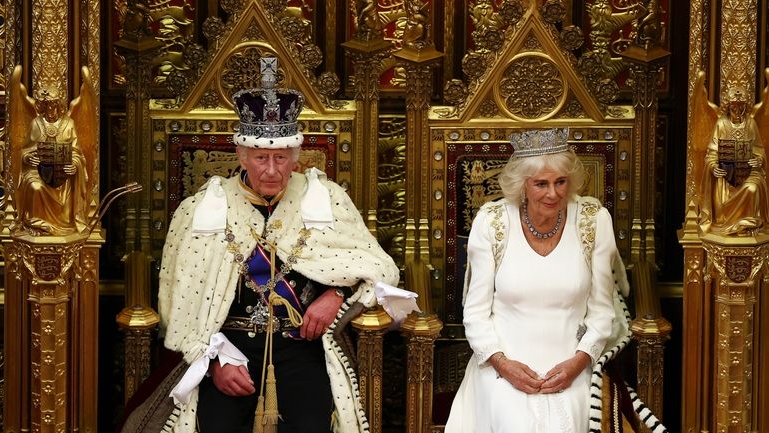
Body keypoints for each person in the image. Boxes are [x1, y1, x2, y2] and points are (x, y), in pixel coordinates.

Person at [157, 58, 400, 433]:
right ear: (241, 156)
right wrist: (213, 358)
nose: (272, 170)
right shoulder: (200, 210)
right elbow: (178, 300)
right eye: (261, 158)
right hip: (227, 346)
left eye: (281, 158)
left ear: (295, 157)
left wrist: (336, 292)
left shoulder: (326, 198)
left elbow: (381, 268)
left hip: (301, 347)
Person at [445, 128, 618, 433]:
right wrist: (502, 364)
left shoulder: (594, 220)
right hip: (502, 365)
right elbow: (475, 313)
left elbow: (603, 311)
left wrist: (577, 364)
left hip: (572, 364)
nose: (553, 193)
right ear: (522, 185)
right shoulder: (492, 221)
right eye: (541, 184)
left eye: (560, 182)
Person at [15, 87, 89, 235]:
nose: (51, 110)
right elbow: (24, 150)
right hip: (37, 172)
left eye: (55, 105)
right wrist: (28, 157)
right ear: (43, 106)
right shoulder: (36, 123)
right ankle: (36, 224)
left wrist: (74, 165)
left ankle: (65, 222)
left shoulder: (69, 124)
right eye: (48, 105)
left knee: (65, 186)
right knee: (35, 187)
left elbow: (76, 152)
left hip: (62, 175)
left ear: (60, 106)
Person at [699, 86, 769, 235]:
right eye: (734, 105)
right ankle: (728, 224)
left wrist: (758, 160)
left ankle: (748, 225)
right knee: (722, 198)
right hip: (726, 175)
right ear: (728, 105)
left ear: (745, 106)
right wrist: (713, 167)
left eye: (741, 105)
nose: (737, 109)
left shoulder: (751, 124)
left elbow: (759, 151)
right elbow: (711, 154)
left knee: (753, 189)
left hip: (749, 173)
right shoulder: (721, 124)